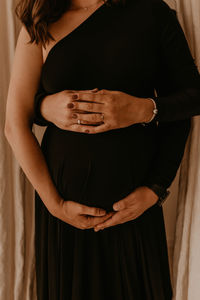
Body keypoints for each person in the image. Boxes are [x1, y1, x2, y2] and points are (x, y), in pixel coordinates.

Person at [4, 0, 200, 299]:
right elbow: (15, 124)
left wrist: (155, 187)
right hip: (64, 215)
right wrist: (55, 205)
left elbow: (191, 98)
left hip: (134, 208)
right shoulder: (42, 16)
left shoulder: (151, 13)